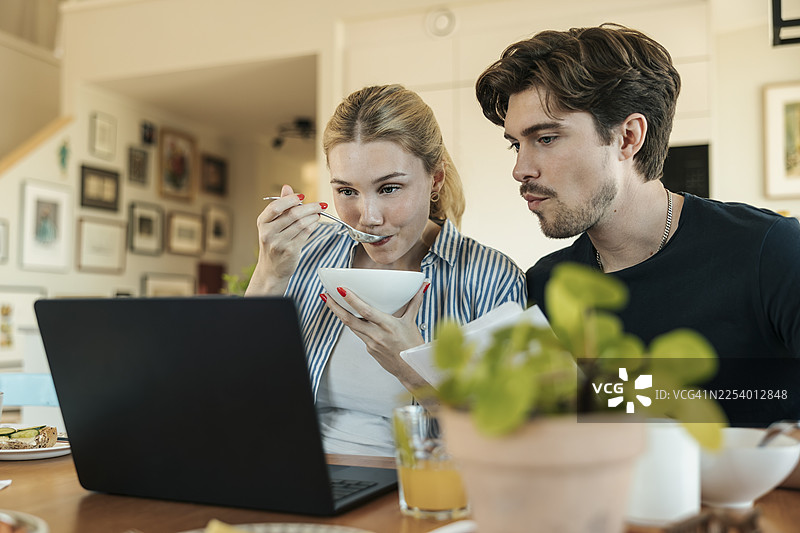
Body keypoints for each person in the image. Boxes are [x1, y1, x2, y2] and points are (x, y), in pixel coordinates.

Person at [474, 24, 800, 423]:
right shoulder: (547, 285)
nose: (520, 169)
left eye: (545, 138)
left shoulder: (772, 252)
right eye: (515, 144)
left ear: (628, 138)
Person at [246, 84, 526, 455]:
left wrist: (412, 365)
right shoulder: (305, 252)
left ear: (435, 181)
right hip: (293, 469)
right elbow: (234, 391)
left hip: (422, 490)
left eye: (390, 188)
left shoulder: (490, 277)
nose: (369, 217)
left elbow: (513, 440)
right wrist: (269, 274)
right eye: (346, 192)